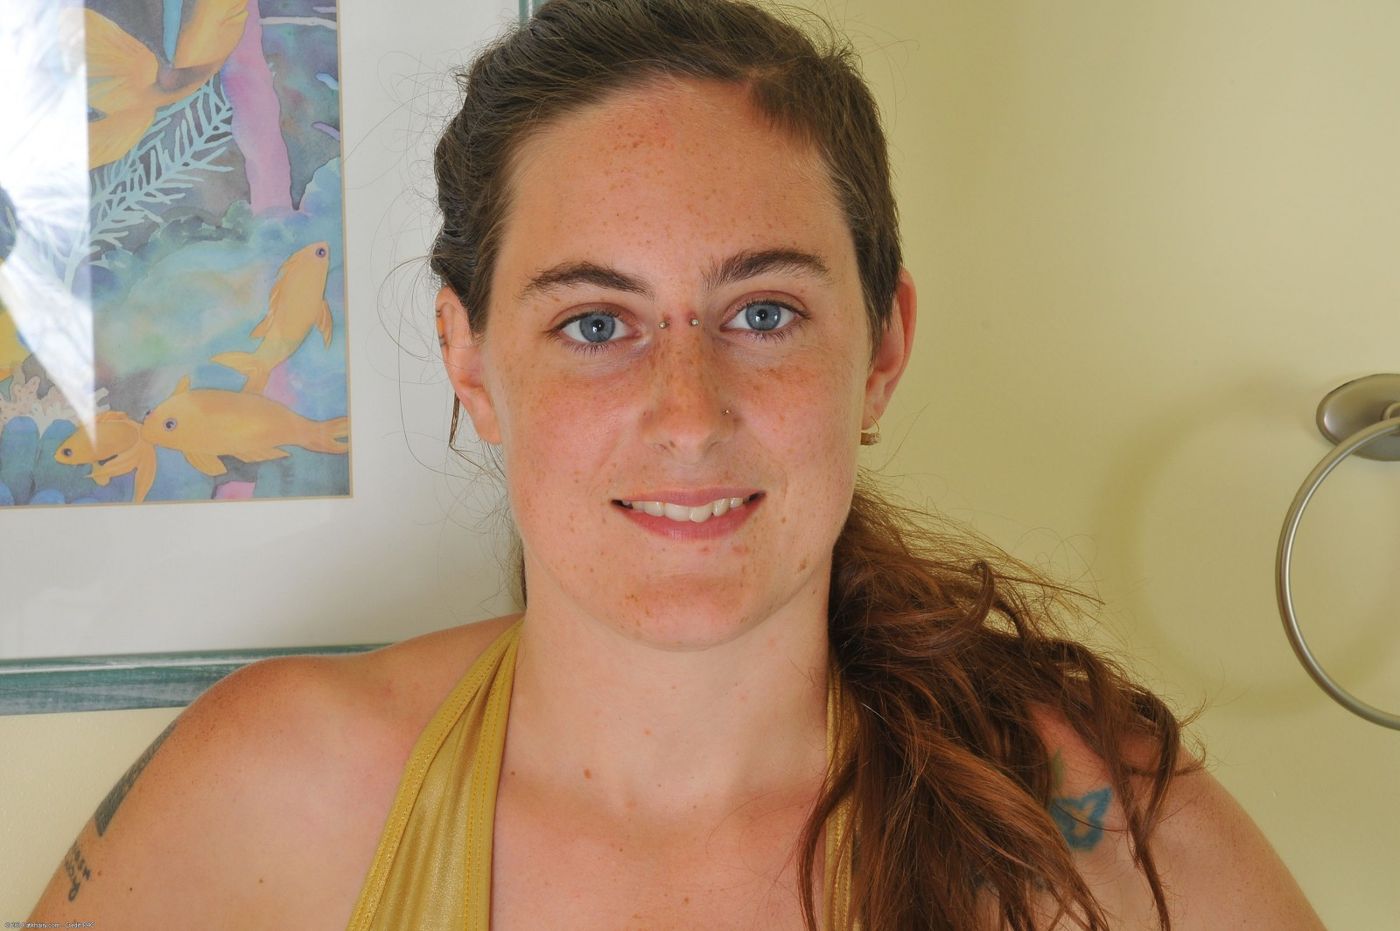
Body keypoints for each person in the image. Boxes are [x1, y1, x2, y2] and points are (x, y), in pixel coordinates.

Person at [31, 1, 1324, 928]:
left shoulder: (1083, 826)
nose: (688, 415)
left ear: (882, 349)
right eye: (596, 325)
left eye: (763, 312)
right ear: (470, 361)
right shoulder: (277, 791)